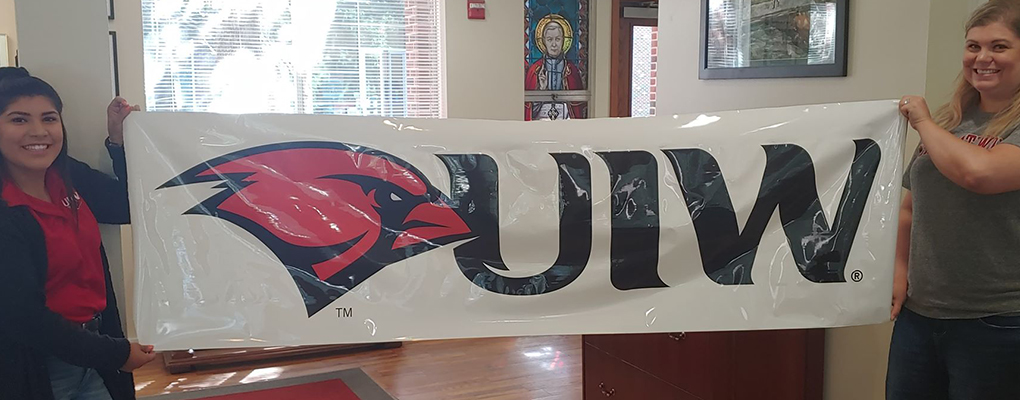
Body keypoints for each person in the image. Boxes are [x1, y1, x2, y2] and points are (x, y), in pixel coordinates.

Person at [0, 68, 156, 400]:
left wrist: (121, 143)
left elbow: (127, 206)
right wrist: (116, 354)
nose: (38, 131)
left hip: (93, 356)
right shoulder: (6, 208)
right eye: (18, 120)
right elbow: (23, 316)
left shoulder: (67, 176)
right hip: (35, 367)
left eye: (49, 118)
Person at [890, 1, 1020, 398]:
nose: (982, 58)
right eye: (973, 46)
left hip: (998, 320)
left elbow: (978, 174)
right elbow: (910, 208)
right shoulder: (950, 121)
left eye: (999, 46)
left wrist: (924, 123)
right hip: (919, 315)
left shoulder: (936, 126)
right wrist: (898, 274)